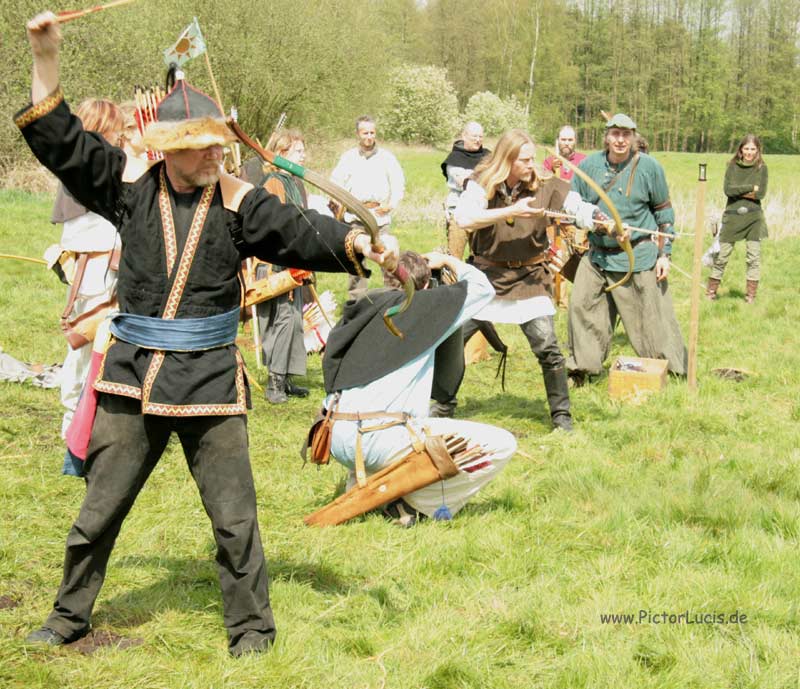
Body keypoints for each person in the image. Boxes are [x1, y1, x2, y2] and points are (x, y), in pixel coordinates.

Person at [18, 11, 397, 657]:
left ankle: (251, 631)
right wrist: (46, 56)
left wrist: (362, 239)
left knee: (234, 520)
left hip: (211, 379)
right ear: (167, 147)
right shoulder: (127, 185)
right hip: (131, 374)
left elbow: (299, 230)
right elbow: (56, 136)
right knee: (96, 514)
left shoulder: (238, 200)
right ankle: (68, 614)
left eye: (220, 143)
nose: (217, 153)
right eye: (202, 145)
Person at [317, 250, 515, 526]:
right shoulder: (423, 308)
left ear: (388, 279)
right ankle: (412, 505)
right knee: (503, 443)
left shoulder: (363, 306)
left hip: (334, 436)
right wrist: (448, 262)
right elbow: (483, 288)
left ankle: (367, 484)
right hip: (378, 440)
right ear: (424, 286)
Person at [450, 129, 575, 431]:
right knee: (450, 343)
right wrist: (511, 210)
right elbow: (465, 218)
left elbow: (575, 205)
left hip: (530, 279)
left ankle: (561, 416)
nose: (532, 165)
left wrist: (597, 217)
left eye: (533, 159)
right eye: (525, 160)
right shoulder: (482, 184)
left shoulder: (542, 186)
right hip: (486, 280)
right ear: (507, 159)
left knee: (548, 347)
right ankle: (440, 407)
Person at [564, 113, 687, 384]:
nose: (620, 140)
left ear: (634, 138)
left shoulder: (650, 167)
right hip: (597, 255)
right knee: (581, 307)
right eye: (615, 134)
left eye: (626, 134)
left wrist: (665, 254)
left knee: (652, 320)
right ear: (606, 137)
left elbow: (663, 212)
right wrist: (596, 220)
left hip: (639, 256)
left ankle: (670, 371)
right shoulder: (589, 166)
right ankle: (581, 370)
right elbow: (572, 206)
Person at [49, 99, 124, 476]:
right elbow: (83, 235)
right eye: (115, 132)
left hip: (105, 276)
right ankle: (74, 443)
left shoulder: (100, 168)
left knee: (104, 358)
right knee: (84, 356)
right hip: (94, 281)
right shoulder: (82, 171)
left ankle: (96, 436)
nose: (119, 140)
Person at [246, 129, 313, 403]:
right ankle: (275, 381)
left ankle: (286, 378)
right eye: (298, 151)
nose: (303, 155)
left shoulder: (296, 183)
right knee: (281, 320)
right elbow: (272, 225)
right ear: (282, 154)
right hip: (276, 262)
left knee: (295, 320)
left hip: (294, 261)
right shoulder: (273, 182)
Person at [330, 115, 405, 299]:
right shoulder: (348, 158)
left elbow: (398, 183)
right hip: (355, 216)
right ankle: (356, 301)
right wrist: (339, 204)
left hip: (379, 216)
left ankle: (393, 296)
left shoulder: (387, 158)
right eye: (365, 133)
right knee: (356, 261)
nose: (369, 136)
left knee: (387, 256)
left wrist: (391, 204)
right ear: (358, 134)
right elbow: (335, 183)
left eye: (372, 132)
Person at [706, 134, 768, 303]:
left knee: (753, 257)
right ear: (741, 149)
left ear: (757, 150)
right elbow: (728, 190)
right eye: (746, 148)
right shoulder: (732, 166)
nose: (749, 152)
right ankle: (711, 293)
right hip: (733, 216)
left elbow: (761, 193)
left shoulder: (762, 168)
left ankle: (750, 297)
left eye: (753, 149)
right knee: (722, 255)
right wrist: (750, 188)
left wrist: (739, 190)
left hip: (754, 218)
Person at [440, 121, 490, 259]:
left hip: (483, 213)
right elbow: (465, 182)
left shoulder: (488, 157)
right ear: (464, 136)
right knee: (455, 258)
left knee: (482, 258)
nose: (478, 140)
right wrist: (482, 177)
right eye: (474, 136)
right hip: (458, 213)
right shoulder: (454, 159)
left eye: (480, 136)